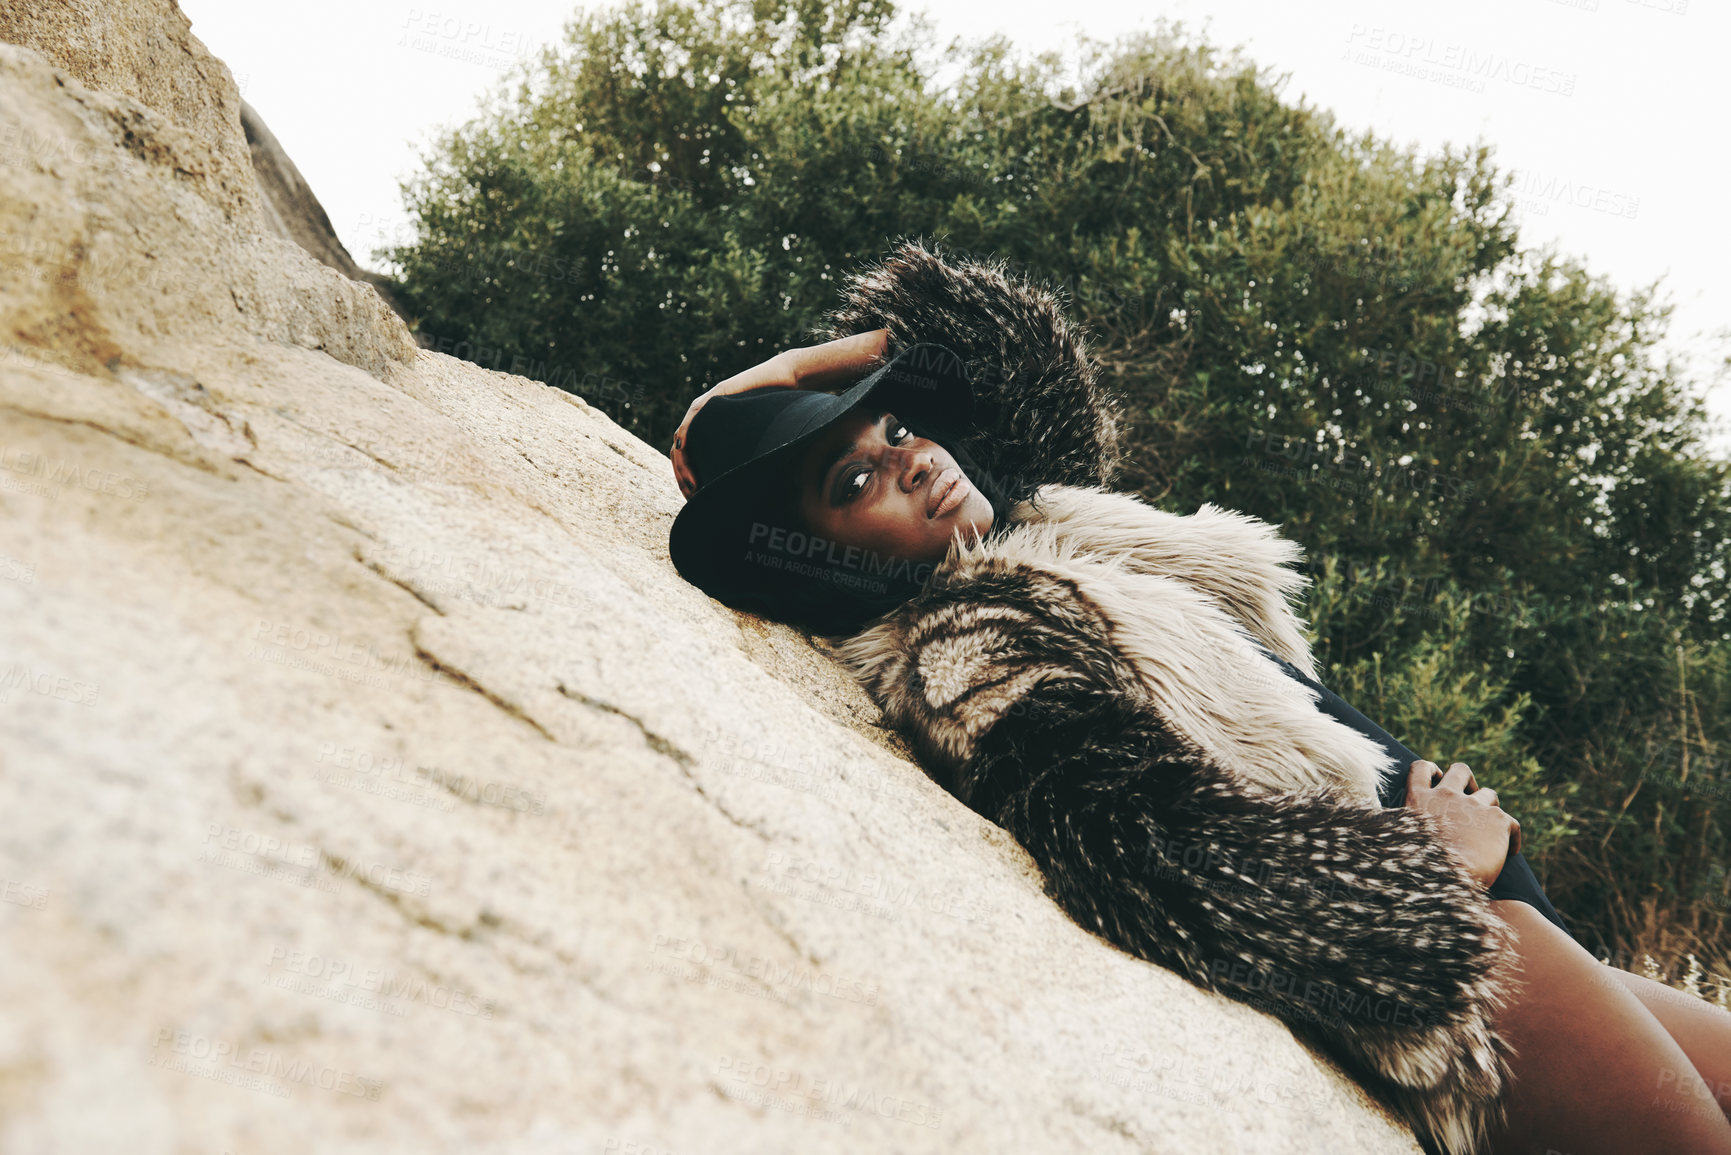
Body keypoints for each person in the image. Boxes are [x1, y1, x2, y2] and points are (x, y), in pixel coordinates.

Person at [666, 239, 1731, 1155]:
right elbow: (1140, 841)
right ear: (818, 562)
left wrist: (792, 370)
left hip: (1483, 899)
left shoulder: (1041, 525)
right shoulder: (965, 648)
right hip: (1434, 951)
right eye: (852, 484)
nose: (911, 461)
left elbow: (1006, 348)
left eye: (893, 431)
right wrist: (1435, 871)